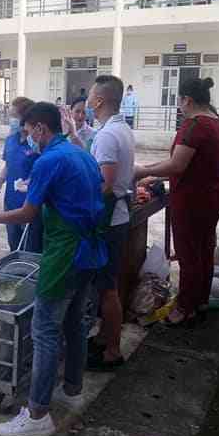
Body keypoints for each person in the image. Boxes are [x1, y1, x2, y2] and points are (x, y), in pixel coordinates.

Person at [0, 102, 106, 436]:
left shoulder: (49, 160)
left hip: (65, 253)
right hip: (90, 250)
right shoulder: (81, 153)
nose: (27, 138)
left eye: (28, 131)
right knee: (75, 322)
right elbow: (94, 189)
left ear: (40, 128)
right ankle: (72, 386)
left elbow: (28, 213)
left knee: (44, 331)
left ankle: (38, 413)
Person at [136, 77, 219, 325]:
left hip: (192, 200)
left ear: (187, 99)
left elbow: (177, 165)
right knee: (204, 250)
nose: (179, 106)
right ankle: (200, 300)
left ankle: (185, 308)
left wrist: (141, 171)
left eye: (179, 101)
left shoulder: (195, 125)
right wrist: (154, 175)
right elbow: (193, 164)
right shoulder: (217, 122)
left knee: (188, 254)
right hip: (212, 196)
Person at [84, 75, 135, 371]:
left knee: (107, 288)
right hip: (118, 216)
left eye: (91, 96)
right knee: (107, 284)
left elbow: (106, 184)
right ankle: (104, 337)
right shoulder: (120, 129)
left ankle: (113, 351)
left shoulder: (106, 136)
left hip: (110, 220)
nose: (88, 101)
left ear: (100, 100)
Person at [0, 97, 42, 253]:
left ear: (26, 118)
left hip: (29, 203)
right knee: (14, 246)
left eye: (14, 116)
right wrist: (0, 178)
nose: (11, 120)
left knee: (30, 248)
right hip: (11, 201)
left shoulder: (37, 143)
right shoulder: (11, 140)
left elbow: (44, 170)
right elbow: (9, 164)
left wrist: (30, 182)